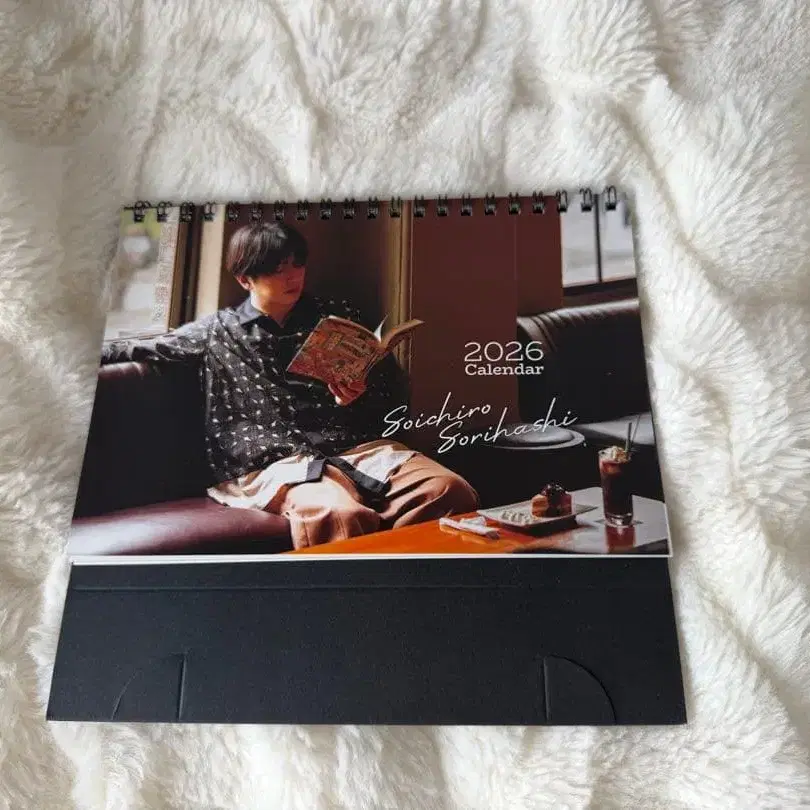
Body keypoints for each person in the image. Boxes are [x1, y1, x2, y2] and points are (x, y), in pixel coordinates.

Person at [101, 222, 478, 549]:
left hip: (352, 448)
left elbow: (386, 395)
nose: (292, 277)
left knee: (447, 489)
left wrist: (359, 392)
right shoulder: (216, 332)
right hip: (274, 461)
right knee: (338, 514)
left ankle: (407, 587)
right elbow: (136, 348)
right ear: (245, 279)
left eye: (297, 265)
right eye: (277, 270)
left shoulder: (335, 317)